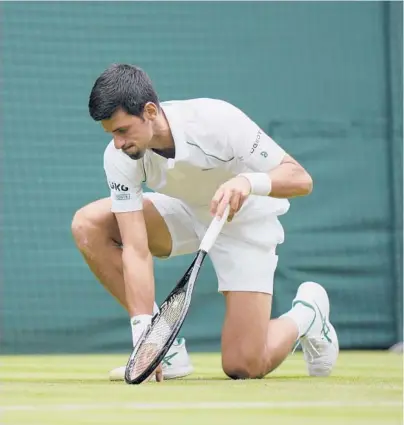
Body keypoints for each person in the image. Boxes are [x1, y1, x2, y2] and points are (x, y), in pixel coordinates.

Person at [71, 63, 339, 382]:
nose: (117, 143)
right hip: (183, 210)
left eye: (122, 130)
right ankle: (167, 353)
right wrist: (146, 337)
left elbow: (300, 178)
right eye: (110, 134)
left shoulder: (216, 121)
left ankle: (307, 314)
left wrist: (248, 182)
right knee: (89, 225)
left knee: (243, 365)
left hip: (244, 222)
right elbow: (136, 248)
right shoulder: (119, 157)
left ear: (151, 111)